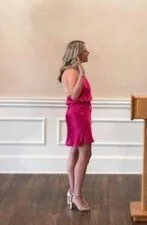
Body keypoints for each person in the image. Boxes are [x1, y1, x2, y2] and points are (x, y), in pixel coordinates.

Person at [58, 40, 93, 211]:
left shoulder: (72, 71)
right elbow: (74, 95)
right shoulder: (73, 71)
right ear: (77, 54)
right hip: (78, 114)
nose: (88, 52)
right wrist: (82, 75)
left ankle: (73, 192)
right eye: (85, 50)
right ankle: (77, 196)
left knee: (75, 152)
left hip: (80, 114)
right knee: (84, 154)